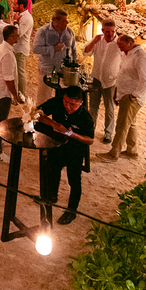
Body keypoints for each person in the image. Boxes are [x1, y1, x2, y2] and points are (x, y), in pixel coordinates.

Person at [37, 85, 95, 224]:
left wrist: (72, 134)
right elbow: (38, 113)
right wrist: (54, 124)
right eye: (66, 102)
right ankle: (51, 196)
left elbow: (90, 140)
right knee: (52, 170)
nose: (68, 106)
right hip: (57, 145)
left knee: (74, 180)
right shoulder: (57, 102)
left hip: (75, 150)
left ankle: (71, 211)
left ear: (81, 103)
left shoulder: (86, 117)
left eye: (73, 104)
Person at [101, 34, 146, 163]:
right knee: (131, 124)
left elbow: (145, 81)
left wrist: (134, 95)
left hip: (131, 97)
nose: (119, 48)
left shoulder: (140, 57)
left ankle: (114, 153)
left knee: (122, 125)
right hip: (124, 94)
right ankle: (131, 150)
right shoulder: (127, 54)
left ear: (130, 43)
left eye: (121, 45)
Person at [82, 19, 121, 143]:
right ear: (102, 30)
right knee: (93, 107)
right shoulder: (98, 40)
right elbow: (86, 52)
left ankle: (108, 133)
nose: (110, 34)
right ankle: (90, 130)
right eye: (107, 31)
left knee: (109, 108)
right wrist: (93, 42)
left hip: (111, 81)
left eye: (112, 31)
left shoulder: (119, 43)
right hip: (96, 79)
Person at [32, 9, 76, 102]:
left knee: (63, 99)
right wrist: (53, 48)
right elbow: (36, 49)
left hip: (64, 72)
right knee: (43, 99)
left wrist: (74, 62)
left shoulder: (69, 32)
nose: (67, 22)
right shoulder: (43, 32)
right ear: (56, 22)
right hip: (47, 70)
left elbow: (73, 49)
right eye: (64, 21)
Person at [0, 25, 20, 161]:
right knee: (0, 121)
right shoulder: (7, 53)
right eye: (16, 35)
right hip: (2, 92)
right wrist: (15, 95)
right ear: (10, 38)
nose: (18, 37)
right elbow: (8, 79)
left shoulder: (0, 47)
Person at [12, 0, 34, 97]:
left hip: (20, 48)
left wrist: (15, 21)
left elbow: (18, 33)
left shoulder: (27, 18)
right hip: (15, 48)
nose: (13, 5)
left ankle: (22, 95)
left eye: (15, 4)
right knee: (15, 72)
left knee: (20, 73)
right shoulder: (19, 14)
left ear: (21, 6)